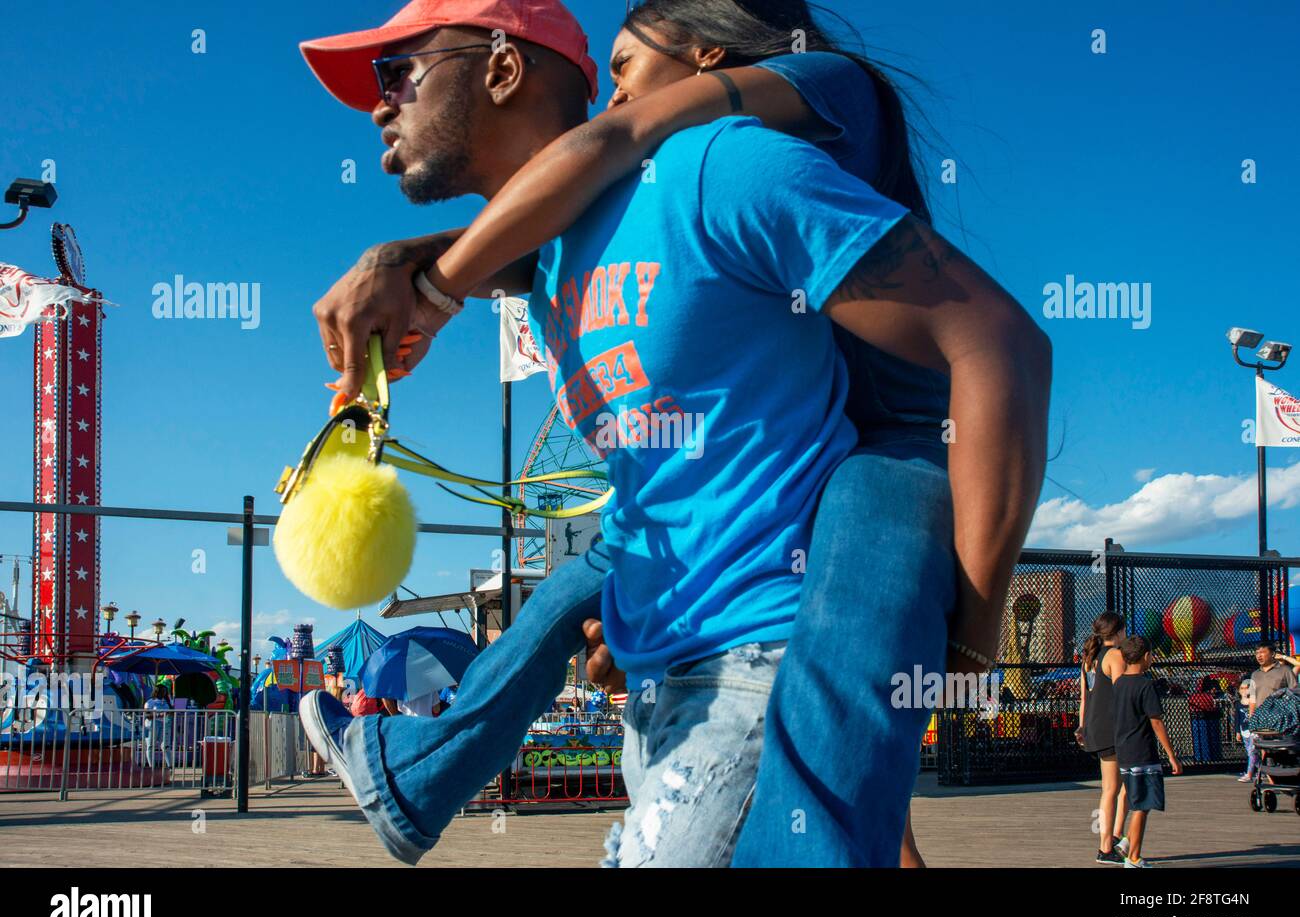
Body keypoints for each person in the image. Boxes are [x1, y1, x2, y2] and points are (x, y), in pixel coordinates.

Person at [298, 0, 1049, 867]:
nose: (379, 107)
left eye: (398, 75)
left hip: (791, 609)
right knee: (588, 585)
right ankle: (419, 770)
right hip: (667, 692)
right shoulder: (552, 260)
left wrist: (970, 643)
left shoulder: (729, 149)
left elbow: (606, 147)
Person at [1112, 634, 1183, 868]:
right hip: (1143, 752)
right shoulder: (1146, 685)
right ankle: (1133, 857)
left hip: (1124, 751)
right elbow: (1156, 722)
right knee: (1141, 806)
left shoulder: (1119, 684)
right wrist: (1171, 755)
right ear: (1146, 657)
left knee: (1138, 801)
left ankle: (1126, 843)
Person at [1076, 611, 1129, 864]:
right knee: (1114, 788)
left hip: (1096, 726)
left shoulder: (1089, 658)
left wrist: (1081, 726)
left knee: (1118, 785)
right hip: (1113, 727)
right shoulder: (1115, 655)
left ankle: (1113, 837)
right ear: (1117, 631)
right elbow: (1123, 695)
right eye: (1124, 630)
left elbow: (1084, 698)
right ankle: (1107, 845)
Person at [1248, 641, 1299, 716]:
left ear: (1272, 654)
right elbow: (1252, 698)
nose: (1259, 656)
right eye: (1257, 653)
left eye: (1262, 652)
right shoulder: (1255, 674)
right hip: (1259, 718)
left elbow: (1295, 693)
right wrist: (1251, 716)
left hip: (1279, 718)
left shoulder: (1285, 670)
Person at [1234, 675, 1258, 782]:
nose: (1244, 690)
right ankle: (1261, 771)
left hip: (1253, 731)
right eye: (1242, 688)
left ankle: (1249, 774)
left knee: (1252, 752)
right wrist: (1238, 732)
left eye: (1246, 688)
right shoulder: (1238, 704)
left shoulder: (1254, 702)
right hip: (1244, 731)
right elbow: (1237, 719)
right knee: (1250, 752)